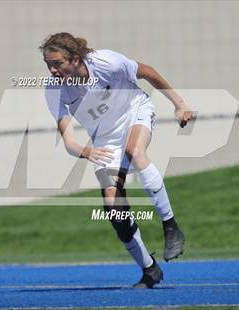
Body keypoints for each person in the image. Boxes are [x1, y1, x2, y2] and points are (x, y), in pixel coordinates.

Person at [40, 33, 192, 288]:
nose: (52, 71)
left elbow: (148, 72)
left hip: (135, 111)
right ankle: (149, 268)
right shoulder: (54, 89)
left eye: (57, 64)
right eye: (48, 65)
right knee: (113, 207)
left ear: (75, 59)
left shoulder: (106, 62)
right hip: (104, 138)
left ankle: (171, 226)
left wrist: (179, 104)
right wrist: (87, 152)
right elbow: (68, 141)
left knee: (135, 150)